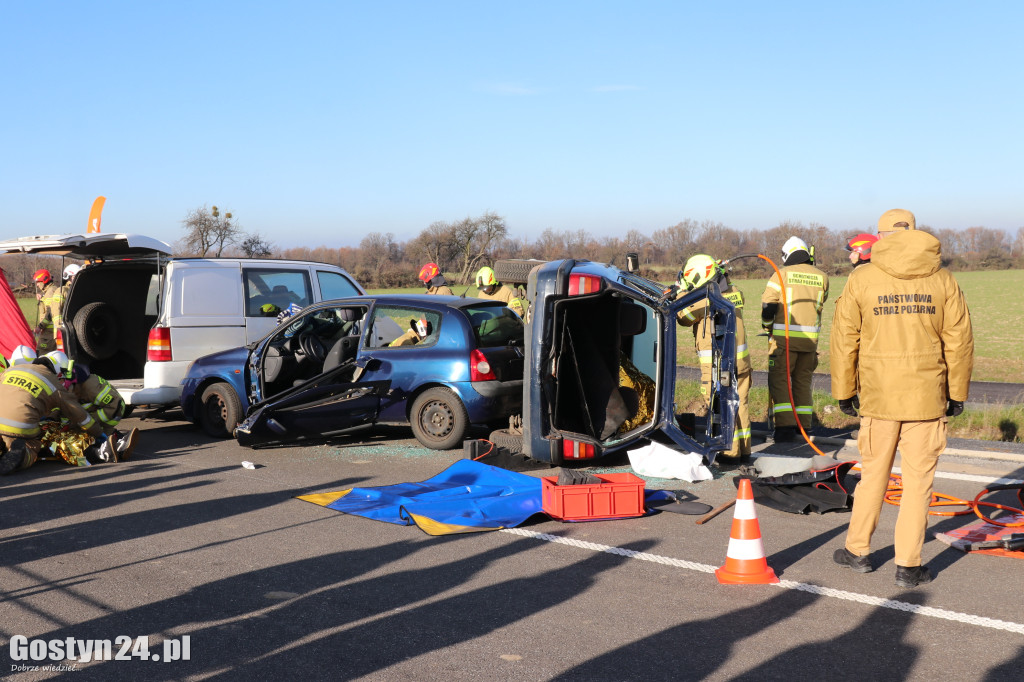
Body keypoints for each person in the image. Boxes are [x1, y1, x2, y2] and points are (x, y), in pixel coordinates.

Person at [831, 208, 973, 588]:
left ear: (879, 237)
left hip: (878, 396)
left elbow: (845, 339)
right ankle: (908, 566)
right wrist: (957, 392)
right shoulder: (943, 279)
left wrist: (844, 391)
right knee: (918, 483)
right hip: (926, 398)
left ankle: (857, 551)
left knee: (873, 475)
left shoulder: (862, 278)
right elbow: (958, 341)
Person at [676, 254, 752, 462]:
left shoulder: (704, 300)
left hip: (719, 364)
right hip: (741, 362)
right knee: (740, 405)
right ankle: (744, 450)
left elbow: (683, 316)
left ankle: (729, 453)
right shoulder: (734, 292)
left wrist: (682, 292)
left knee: (721, 404)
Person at [760, 236, 829, 442]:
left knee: (780, 382)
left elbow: (768, 305)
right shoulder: (822, 277)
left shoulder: (781, 274)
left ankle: (785, 428)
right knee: (802, 383)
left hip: (784, 342)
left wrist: (767, 325)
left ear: (786, 254)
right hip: (809, 344)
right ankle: (804, 428)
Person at [0, 351, 104, 475]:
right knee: (34, 446)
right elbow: (78, 414)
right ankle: (24, 456)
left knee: (5, 438)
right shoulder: (54, 383)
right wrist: (99, 433)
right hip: (21, 428)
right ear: (58, 370)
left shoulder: (13, 369)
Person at [66, 363, 139, 461]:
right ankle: (117, 442)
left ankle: (113, 443)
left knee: (90, 434)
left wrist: (89, 423)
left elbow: (115, 404)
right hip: (95, 412)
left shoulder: (91, 387)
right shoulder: (71, 387)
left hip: (113, 410)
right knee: (85, 432)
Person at [33, 269, 62, 352]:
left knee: (41, 352)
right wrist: (42, 298)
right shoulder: (50, 291)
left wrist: (40, 327)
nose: (37, 285)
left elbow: (50, 313)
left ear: (44, 281)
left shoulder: (50, 292)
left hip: (49, 332)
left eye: (38, 282)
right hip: (50, 331)